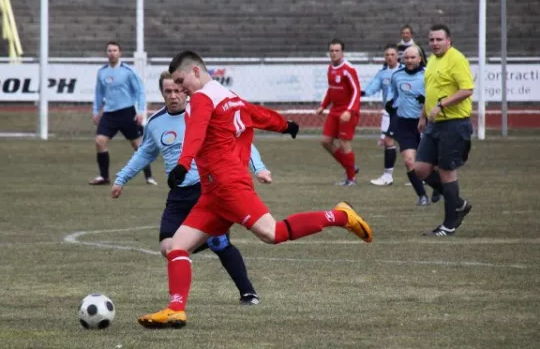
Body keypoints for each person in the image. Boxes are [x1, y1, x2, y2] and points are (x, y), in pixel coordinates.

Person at [137, 51, 373, 329]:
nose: (181, 88)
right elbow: (255, 114)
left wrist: (182, 164)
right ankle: (176, 309)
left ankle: (340, 216)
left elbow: (197, 133)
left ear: (196, 72)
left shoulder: (202, 98)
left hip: (228, 185)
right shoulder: (227, 95)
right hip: (212, 193)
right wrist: (286, 125)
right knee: (177, 247)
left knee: (272, 233)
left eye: (181, 80)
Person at [111, 71, 270, 306]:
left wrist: (259, 168)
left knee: (220, 243)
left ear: (185, 91)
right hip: (178, 194)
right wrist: (121, 179)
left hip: (207, 188)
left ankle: (248, 293)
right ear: (162, 93)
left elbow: (239, 139)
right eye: (168, 92)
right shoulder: (156, 123)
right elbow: (145, 152)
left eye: (177, 91)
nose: (174, 96)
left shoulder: (203, 114)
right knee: (168, 247)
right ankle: (201, 245)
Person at [415, 24, 474, 236]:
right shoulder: (431, 60)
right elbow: (431, 91)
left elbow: (467, 89)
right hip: (434, 124)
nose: (435, 43)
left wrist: (441, 106)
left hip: (454, 123)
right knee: (420, 168)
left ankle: (449, 225)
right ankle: (458, 202)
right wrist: (423, 115)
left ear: (448, 40)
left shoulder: (456, 59)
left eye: (439, 39)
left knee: (447, 172)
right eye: (431, 40)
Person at [89, 41, 157, 186]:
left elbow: (140, 91)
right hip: (109, 114)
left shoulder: (128, 72)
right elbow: (99, 93)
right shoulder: (102, 72)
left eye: (114, 50)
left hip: (127, 113)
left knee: (138, 146)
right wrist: (96, 111)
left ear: (120, 53)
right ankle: (104, 177)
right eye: (109, 50)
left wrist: (140, 111)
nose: (112, 53)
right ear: (106, 53)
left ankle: (149, 176)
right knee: (100, 142)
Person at [385, 46, 430, 206]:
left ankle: (440, 188)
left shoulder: (428, 75)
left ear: (420, 58)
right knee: (409, 161)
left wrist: (425, 104)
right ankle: (422, 196)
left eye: (413, 58)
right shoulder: (397, 76)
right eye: (407, 58)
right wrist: (391, 104)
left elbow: (436, 97)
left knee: (430, 166)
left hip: (425, 124)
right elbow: (395, 95)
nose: (409, 61)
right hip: (404, 123)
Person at [315, 38, 361, 186]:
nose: (334, 53)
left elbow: (356, 91)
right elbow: (331, 89)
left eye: (337, 51)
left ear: (343, 52)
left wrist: (349, 111)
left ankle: (351, 179)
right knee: (325, 141)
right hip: (335, 111)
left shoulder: (348, 69)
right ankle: (350, 167)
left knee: (344, 143)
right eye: (331, 51)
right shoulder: (330, 68)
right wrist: (323, 105)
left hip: (347, 112)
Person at [361, 44, 404, 186]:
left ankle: (421, 175)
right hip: (392, 113)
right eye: (387, 55)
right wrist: (362, 93)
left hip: (407, 112)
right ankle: (388, 176)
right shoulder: (382, 73)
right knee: (389, 141)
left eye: (392, 54)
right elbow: (373, 86)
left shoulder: (405, 71)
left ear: (398, 56)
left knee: (410, 143)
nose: (390, 57)